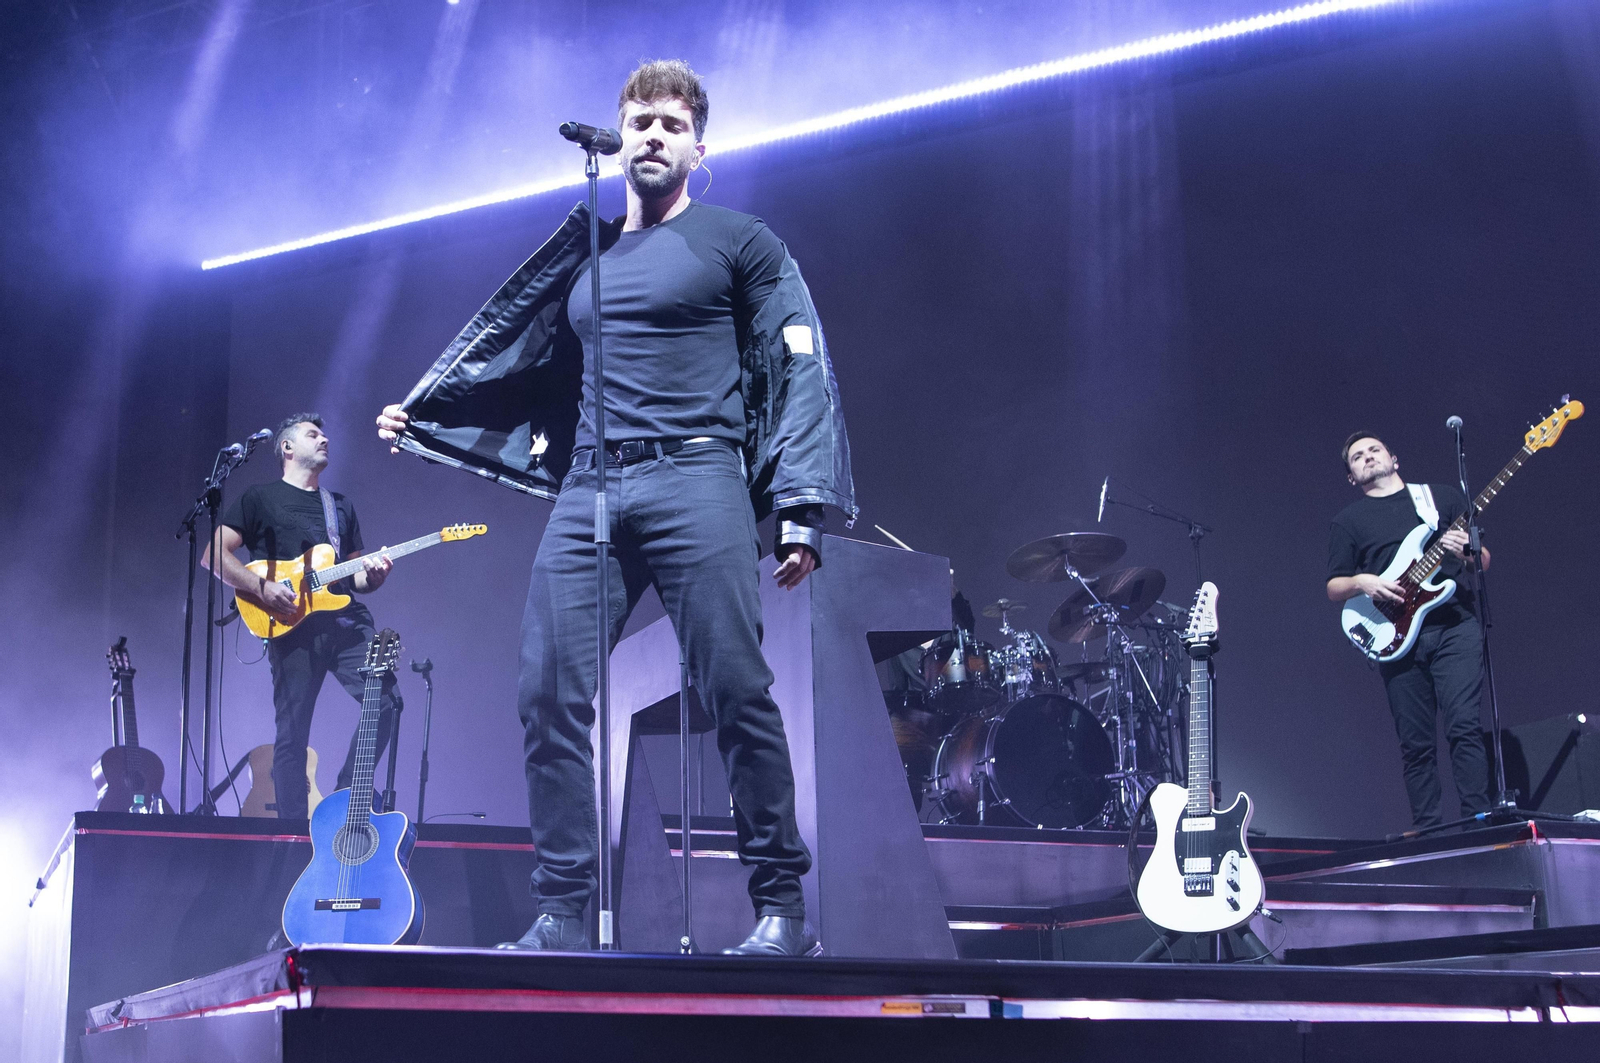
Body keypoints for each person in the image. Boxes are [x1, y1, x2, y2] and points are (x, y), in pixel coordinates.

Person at [377, 59, 855, 955]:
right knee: (547, 692)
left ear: (699, 147)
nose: (652, 136)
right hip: (592, 487)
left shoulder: (739, 242)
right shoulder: (589, 258)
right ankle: (562, 910)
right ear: (619, 133)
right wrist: (440, 408)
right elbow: (539, 372)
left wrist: (799, 503)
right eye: (639, 121)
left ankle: (783, 906)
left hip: (697, 478)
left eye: (672, 124)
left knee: (736, 689)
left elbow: (797, 365)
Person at [202, 413, 399, 820]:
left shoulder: (339, 506)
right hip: (289, 626)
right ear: (287, 448)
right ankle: (292, 835)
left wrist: (374, 576)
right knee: (292, 738)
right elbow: (213, 556)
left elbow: (357, 577)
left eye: (325, 433)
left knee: (388, 702)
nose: (324, 439)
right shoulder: (259, 499)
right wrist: (261, 588)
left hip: (345, 622)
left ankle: (347, 790)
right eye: (313, 434)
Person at [1326, 431, 1492, 829]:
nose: (1367, 458)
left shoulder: (1440, 498)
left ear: (1394, 458)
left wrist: (1465, 552)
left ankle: (1479, 825)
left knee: (1464, 727)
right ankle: (1429, 833)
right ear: (1351, 476)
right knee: (1416, 744)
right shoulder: (1348, 521)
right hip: (1395, 636)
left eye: (1374, 450)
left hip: (1453, 625)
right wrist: (1364, 582)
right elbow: (1334, 586)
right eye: (1357, 457)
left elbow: (1482, 561)